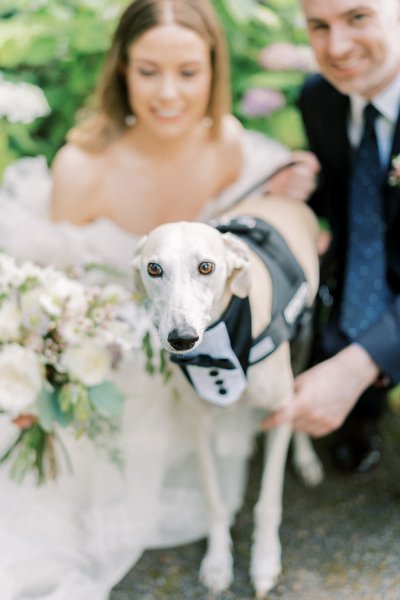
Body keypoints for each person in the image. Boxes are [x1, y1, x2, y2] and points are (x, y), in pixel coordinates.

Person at [0, 1, 319, 598]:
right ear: (121, 69)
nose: (168, 93)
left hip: (212, 360)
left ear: (214, 70)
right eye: (148, 71)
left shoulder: (227, 146)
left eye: (188, 72)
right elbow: (60, 299)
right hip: (124, 371)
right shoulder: (81, 169)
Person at [262, 0, 400, 473]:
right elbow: (354, 193)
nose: (336, 47)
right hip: (363, 271)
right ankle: (362, 413)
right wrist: (302, 187)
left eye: (358, 18)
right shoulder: (319, 97)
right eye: (319, 26)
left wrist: (358, 366)